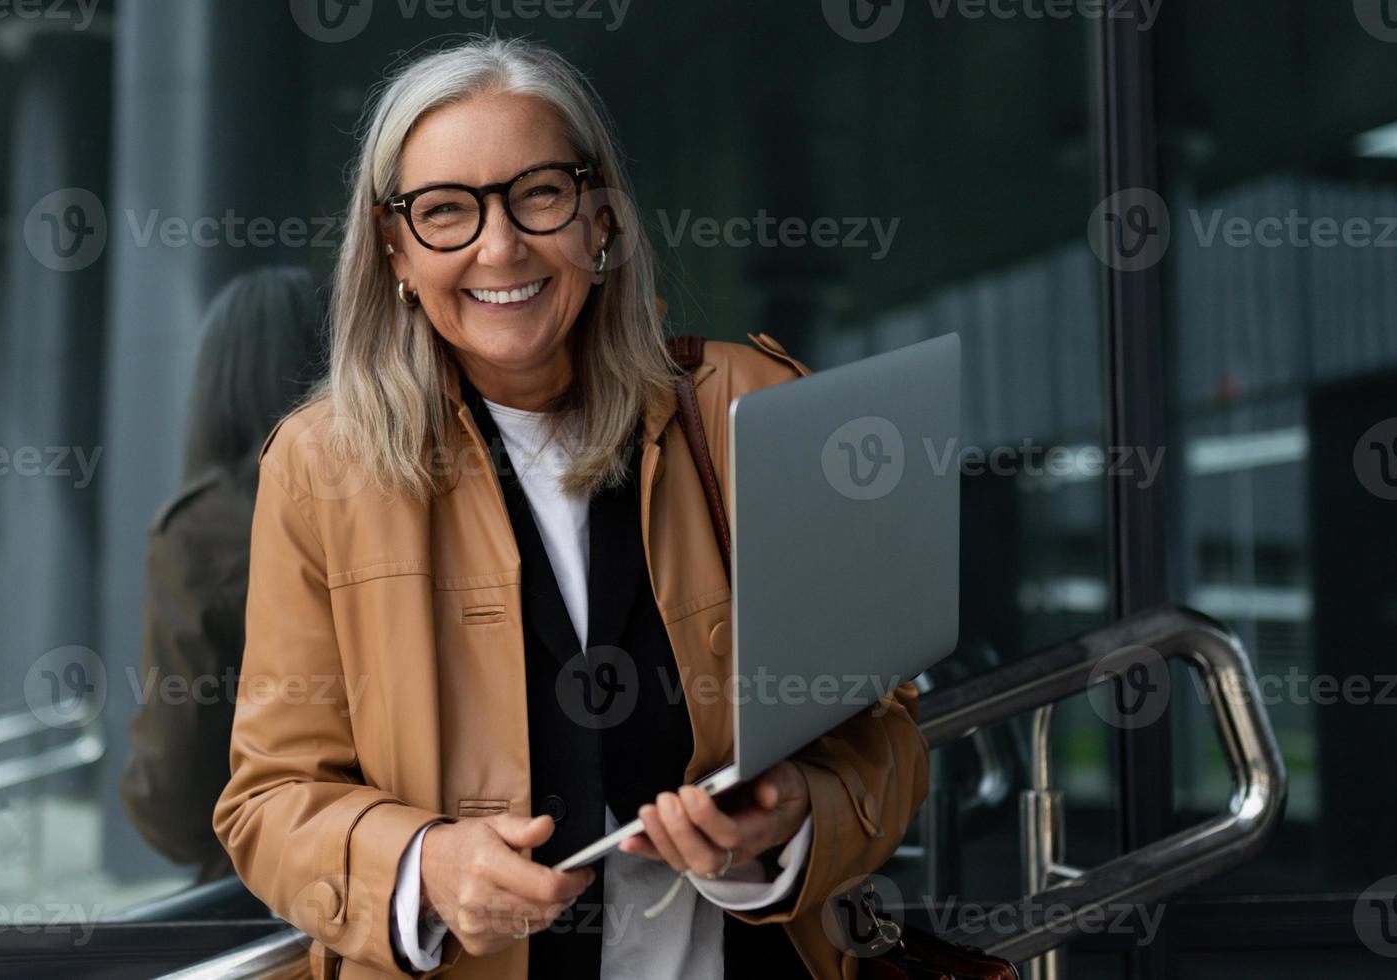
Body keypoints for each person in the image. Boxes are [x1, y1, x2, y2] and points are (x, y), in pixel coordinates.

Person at [212, 36, 927, 979]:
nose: (499, 245)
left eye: (539, 194)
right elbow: (268, 801)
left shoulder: (748, 405)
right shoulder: (321, 467)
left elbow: (882, 731)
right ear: (395, 251)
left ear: (600, 218)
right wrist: (424, 867)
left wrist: (791, 820)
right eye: (444, 213)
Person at [121, 266, 327, 884]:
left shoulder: (202, 531)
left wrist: (146, 803)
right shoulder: (411, 493)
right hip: (424, 862)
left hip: (272, 886)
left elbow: (176, 788)